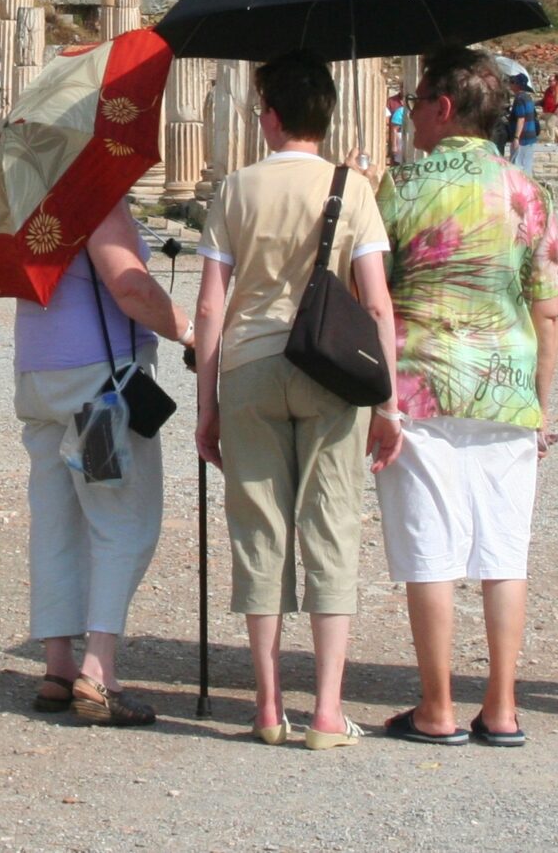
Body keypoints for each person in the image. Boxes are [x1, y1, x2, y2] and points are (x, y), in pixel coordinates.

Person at [195, 50, 402, 750]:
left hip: (250, 365)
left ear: (273, 117)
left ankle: (265, 703)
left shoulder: (235, 189)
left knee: (260, 529)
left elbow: (208, 307)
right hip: (330, 369)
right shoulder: (355, 188)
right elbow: (377, 303)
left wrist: (205, 406)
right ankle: (326, 710)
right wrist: (389, 402)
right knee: (332, 525)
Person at [372, 47, 558, 747]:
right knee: (503, 549)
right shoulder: (525, 192)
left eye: (420, 100)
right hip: (507, 385)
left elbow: (375, 297)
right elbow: (547, 308)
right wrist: (539, 403)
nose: (414, 112)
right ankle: (504, 705)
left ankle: (436, 704)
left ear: (444, 107)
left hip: (420, 379)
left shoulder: (401, 187)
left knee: (432, 546)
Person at [19, 201, 191, 726]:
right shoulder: (90, 192)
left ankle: (58, 665)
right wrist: (187, 329)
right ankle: (99, 670)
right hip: (96, 388)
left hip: (40, 373)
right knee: (120, 519)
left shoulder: (27, 190)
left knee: (56, 520)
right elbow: (128, 285)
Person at [506, 74, 541, 172]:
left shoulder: (519, 99)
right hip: (530, 135)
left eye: (512, 82)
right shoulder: (528, 97)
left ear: (517, 85)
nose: (510, 84)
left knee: (517, 166)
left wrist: (516, 138)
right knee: (526, 166)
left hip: (522, 137)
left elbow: (521, 118)